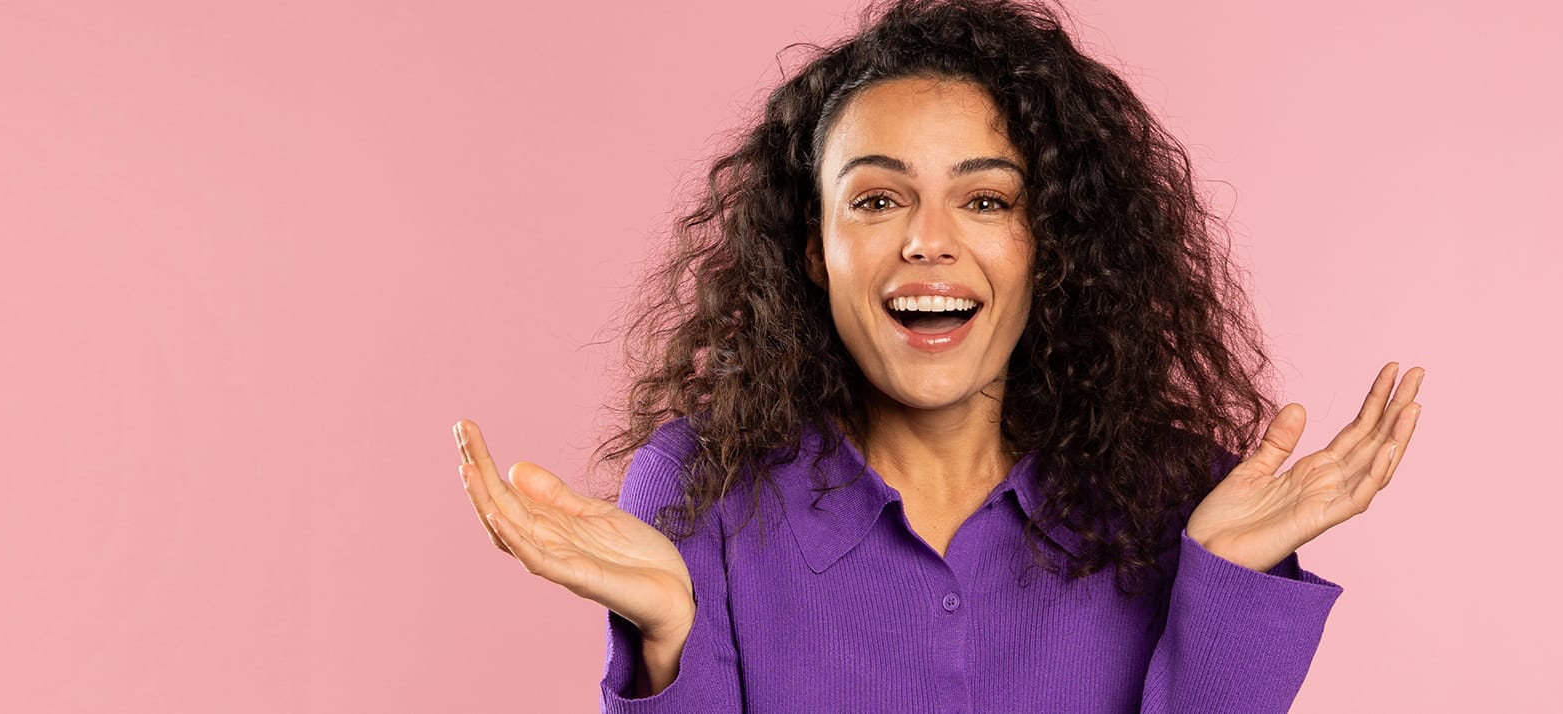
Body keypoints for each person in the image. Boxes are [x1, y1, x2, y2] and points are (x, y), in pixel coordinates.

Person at [454, 0, 1427, 710]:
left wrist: (1227, 583)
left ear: (1050, 241)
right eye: (876, 200)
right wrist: (669, 645)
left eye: (986, 199)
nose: (927, 239)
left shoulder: (1179, 494)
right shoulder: (697, 486)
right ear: (812, 248)